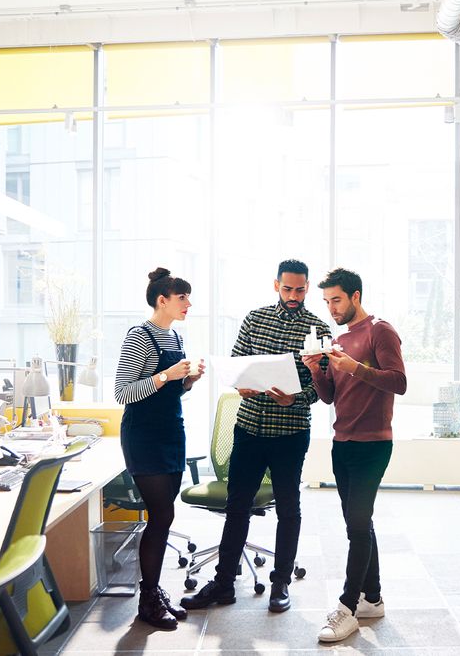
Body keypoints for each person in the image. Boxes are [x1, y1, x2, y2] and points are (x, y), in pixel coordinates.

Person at [181, 259, 332, 614]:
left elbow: (324, 388)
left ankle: (281, 583)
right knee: (237, 506)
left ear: (307, 288)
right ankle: (223, 584)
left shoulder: (318, 329)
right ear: (276, 285)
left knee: (288, 508)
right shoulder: (254, 319)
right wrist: (241, 385)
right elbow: (237, 365)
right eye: (287, 289)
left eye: (300, 290)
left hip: (290, 433)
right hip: (249, 428)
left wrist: (296, 398)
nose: (293, 296)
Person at [302, 268, 406, 643]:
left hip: (373, 445)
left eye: (337, 300)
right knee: (357, 523)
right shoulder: (340, 339)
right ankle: (372, 599)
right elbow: (331, 396)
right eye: (326, 301)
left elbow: (399, 382)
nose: (331, 308)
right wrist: (318, 372)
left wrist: (356, 367)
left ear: (355, 296)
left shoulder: (380, 331)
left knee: (358, 525)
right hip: (342, 442)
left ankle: (346, 608)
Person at [113, 267, 205, 630]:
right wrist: (167, 374)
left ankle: (154, 591)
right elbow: (123, 392)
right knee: (161, 515)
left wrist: (188, 380)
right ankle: (148, 599)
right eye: (182, 298)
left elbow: (171, 391)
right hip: (144, 436)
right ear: (162, 300)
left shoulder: (175, 337)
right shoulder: (139, 336)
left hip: (171, 432)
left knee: (165, 516)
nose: (188, 304)